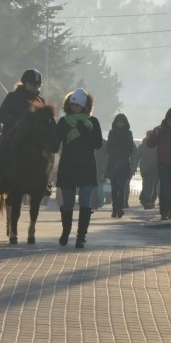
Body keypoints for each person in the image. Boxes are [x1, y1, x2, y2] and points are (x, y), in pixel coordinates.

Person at [56, 88, 102, 248]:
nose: (74, 107)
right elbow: (56, 144)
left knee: (85, 202)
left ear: (85, 106)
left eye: (78, 105)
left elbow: (98, 144)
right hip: (68, 167)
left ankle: (81, 236)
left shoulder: (92, 122)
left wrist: (84, 132)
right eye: (72, 104)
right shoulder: (63, 122)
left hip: (86, 167)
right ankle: (66, 231)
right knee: (68, 204)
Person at [0, 69, 46, 191]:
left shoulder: (40, 101)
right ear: (25, 83)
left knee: (45, 156)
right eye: (31, 84)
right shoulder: (12, 97)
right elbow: (1, 114)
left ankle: (43, 183)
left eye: (36, 85)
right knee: (1, 150)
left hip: (33, 137)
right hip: (12, 134)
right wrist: (15, 122)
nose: (34, 87)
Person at [146, 107, 171, 220]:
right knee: (164, 188)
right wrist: (155, 134)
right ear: (166, 119)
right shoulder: (160, 130)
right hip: (163, 163)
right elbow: (150, 144)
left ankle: (170, 208)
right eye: (169, 119)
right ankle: (164, 211)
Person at [104, 113, 135, 218]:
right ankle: (114, 208)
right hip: (113, 162)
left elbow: (131, 149)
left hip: (124, 162)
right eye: (118, 121)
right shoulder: (112, 133)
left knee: (122, 187)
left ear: (125, 122)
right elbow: (108, 148)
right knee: (114, 186)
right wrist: (115, 158)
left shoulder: (128, 133)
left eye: (122, 122)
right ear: (115, 122)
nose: (120, 123)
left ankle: (120, 208)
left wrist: (123, 159)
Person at [136, 133, 159, 209]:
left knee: (151, 185)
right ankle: (147, 200)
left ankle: (148, 201)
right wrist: (133, 169)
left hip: (154, 169)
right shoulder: (142, 146)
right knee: (147, 186)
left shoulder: (157, 146)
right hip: (145, 170)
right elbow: (136, 158)